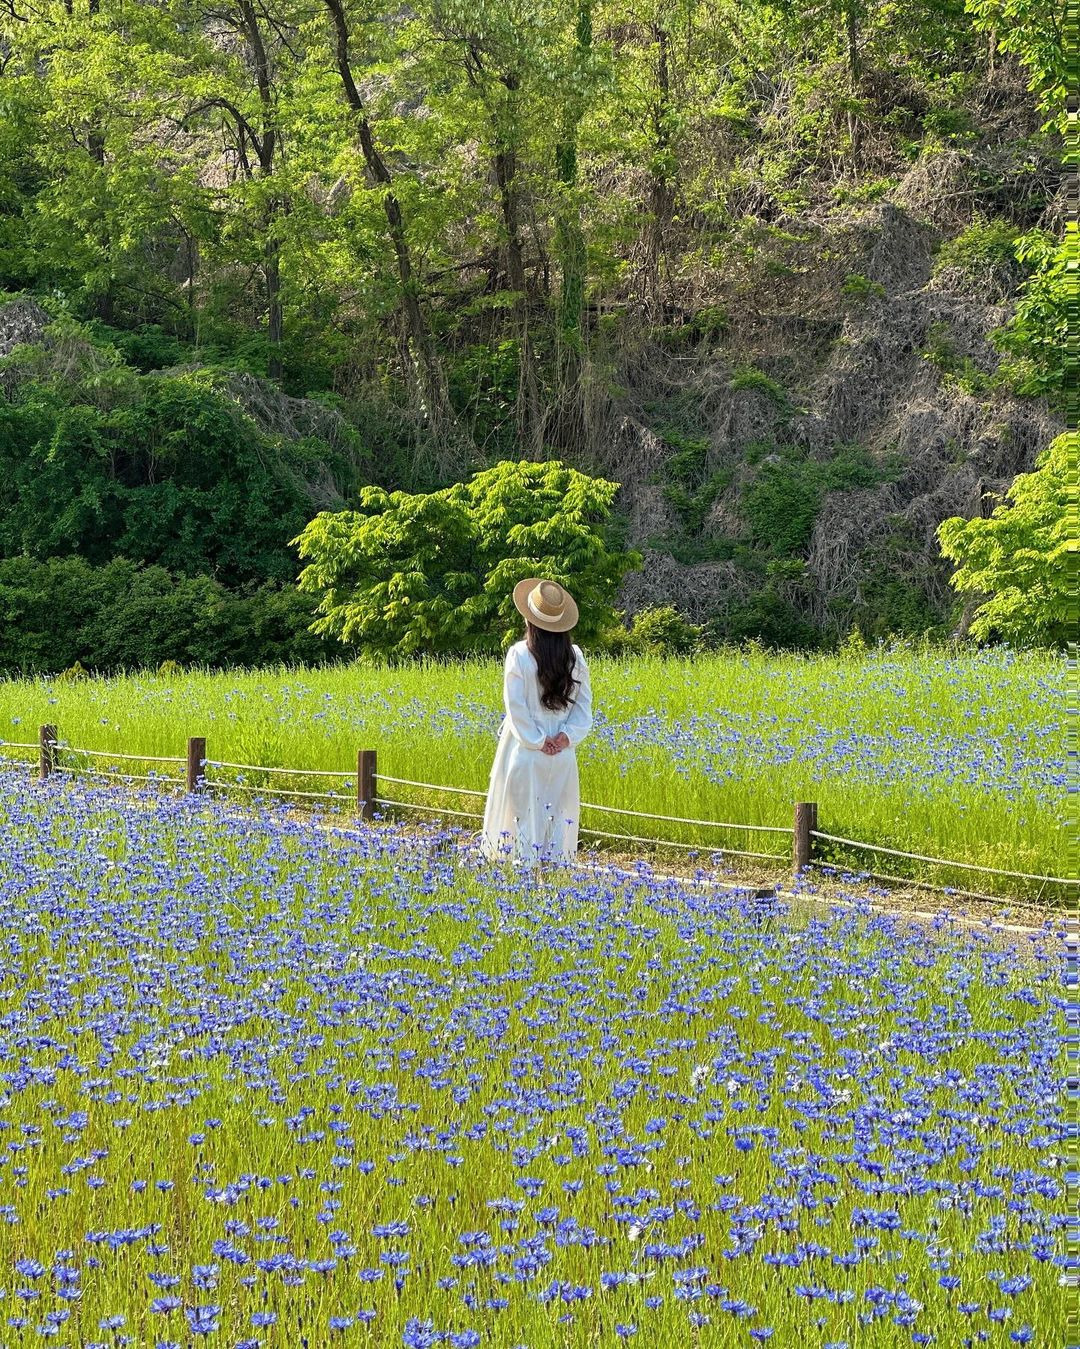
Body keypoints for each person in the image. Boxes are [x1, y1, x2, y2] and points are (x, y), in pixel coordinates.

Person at [481, 579, 593, 867]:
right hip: (563, 755)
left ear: (529, 619)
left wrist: (538, 740)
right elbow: (584, 709)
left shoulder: (519, 654)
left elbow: (515, 707)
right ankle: (554, 884)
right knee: (557, 819)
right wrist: (565, 738)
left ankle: (521, 888)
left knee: (520, 822)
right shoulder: (575, 657)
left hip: (524, 750)